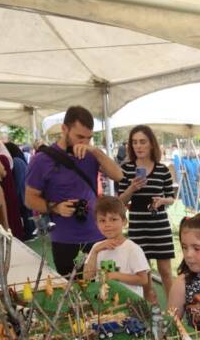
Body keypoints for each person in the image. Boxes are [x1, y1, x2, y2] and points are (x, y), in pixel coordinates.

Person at [24, 106, 123, 276]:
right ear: (64, 129)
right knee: (74, 294)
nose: (83, 142)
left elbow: (118, 175)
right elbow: (29, 199)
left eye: (88, 138)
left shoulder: (91, 154)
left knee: (105, 288)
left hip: (99, 235)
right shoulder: (42, 160)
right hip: (65, 240)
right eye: (79, 136)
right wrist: (55, 207)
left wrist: (95, 150)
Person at [116, 125, 177, 292]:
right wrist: (132, 188)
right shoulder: (126, 169)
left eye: (142, 141)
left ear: (151, 144)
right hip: (138, 225)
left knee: (165, 271)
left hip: (160, 225)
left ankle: (173, 311)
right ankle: (151, 307)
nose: (138, 146)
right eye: (134, 142)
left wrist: (162, 200)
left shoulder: (162, 170)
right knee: (144, 272)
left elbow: (172, 197)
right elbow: (120, 201)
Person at [82, 196, 152, 300]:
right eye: (102, 220)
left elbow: (143, 279)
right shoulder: (96, 247)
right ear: (97, 224)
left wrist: (115, 275)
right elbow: (87, 278)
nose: (108, 225)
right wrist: (95, 252)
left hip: (129, 305)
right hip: (104, 304)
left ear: (124, 222)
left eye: (113, 219)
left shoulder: (132, 249)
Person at [167, 212, 200, 333]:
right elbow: (170, 328)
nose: (188, 255)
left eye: (196, 248)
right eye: (184, 247)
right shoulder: (181, 284)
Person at [5, 142, 34, 237]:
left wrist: (15, 195)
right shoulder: (19, 159)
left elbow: (19, 180)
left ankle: (30, 234)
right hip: (24, 191)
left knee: (27, 215)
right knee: (27, 214)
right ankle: (30, 232)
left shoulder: (16, 161)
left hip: (23, 192)